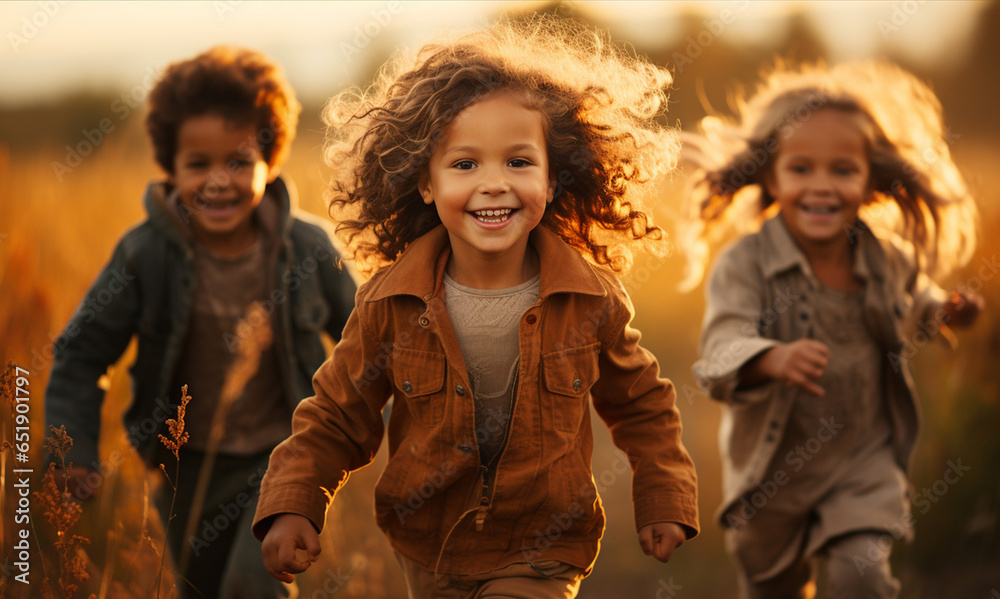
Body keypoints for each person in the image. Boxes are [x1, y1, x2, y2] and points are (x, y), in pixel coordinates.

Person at [252, 16, 699, 598]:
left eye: (518, 162)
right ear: (425, 183)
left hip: (544, 548)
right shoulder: (391, 303)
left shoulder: (588, 299)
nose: (494, 183)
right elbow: (337, 413)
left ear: (553, 178)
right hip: (430, 543)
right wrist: (295, 504)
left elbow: (642, 406)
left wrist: (662, 495)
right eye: (465, 165)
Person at [43, 46, 357, 598]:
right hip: (184, 465)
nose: (218, 181)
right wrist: (74, 455)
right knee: (201, 585)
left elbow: (368, 335)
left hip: (283, 455)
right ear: (171, 165)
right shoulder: (144, 255)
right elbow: (81, 351)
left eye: (238, 162)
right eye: (198, 164)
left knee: (251, 584)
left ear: (271, 162)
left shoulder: (306, 248)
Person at [685, 60, 983, 598]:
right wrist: (768, 358)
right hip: (772, 473)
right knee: (772, 588)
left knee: (859, 577)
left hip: (863, 461)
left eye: (842, 170)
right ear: (769, 176)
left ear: (871, 181)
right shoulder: (744, 264)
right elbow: (718, 351)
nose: (821, 186)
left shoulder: (887, 259)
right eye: (801, 168)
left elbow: (914, 302)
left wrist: (944, 311)